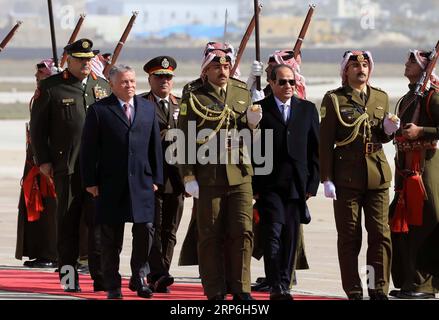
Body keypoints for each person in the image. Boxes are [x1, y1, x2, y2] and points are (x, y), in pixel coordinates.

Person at [177, 41, 262, 300]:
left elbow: (251, 139)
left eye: (226, 66)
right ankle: (214, 290)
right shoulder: (193, 94)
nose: (223, 71)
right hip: (208, 174)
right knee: (210, 235)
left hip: (239, 173)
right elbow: (184, 137)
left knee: (242, 231)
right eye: (216, 67)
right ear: (205, 70)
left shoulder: (241, 91)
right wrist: (188, 175)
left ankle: (241, 288)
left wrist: (253, 125)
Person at [30, 39, 110, 292]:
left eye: (89, 59)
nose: (86, 63)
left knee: (99, 227)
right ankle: (68, 279)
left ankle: (100, 278)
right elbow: (38, 129)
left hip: (98, 170)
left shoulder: (102, 87)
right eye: (81, 59)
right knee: (67, 227)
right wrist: (43, 160)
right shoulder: (52, 87)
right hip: (68, 168)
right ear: (69, 60)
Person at [319, 50, 400, 300]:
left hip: (377, 174)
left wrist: (388, 131)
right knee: (350, 237)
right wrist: (326, 178)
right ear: (345, 71)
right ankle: (354, 289)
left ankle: (377, 288)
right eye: (354, 65)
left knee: (380, 234)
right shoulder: (334, 99)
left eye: (365, 64)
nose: (361, 69)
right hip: (347, 177)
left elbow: (380, 135)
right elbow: (324, 142)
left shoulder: (381, 97)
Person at [80, 65, 163, 299]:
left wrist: (156, 178)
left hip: (142, 183)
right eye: (125, 82)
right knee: (109, 238)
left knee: (145, 230)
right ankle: (113, 284)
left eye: (133, 81)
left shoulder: (147, 108)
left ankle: (139, 277)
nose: (130, 86)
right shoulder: (99, 110)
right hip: (110, 184)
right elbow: (88, 151)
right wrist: (90, 182)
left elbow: (154, 146)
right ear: (113, 85)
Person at [252, 64, 319, 300]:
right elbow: (250, 149)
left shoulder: (308, 110)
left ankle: (283, 283)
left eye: (292, 81)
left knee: (291, 235)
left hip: (297, 185)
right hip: (269, 184)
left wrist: (312, 185)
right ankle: (275, 283)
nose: (288, 86)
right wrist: (254, 187)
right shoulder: (259, 109)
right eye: (282, 82)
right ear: (271, 83)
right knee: (272, 233)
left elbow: (315, 150)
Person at [389, 49, 439, 299]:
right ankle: (409, 281)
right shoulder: (411, 97)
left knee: (425, 222)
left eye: (412, 61)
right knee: (402, 224)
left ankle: (425, 285)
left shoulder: (431, 97)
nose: (406, 64)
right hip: (405, 167)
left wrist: (422, 131)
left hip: (424, 167)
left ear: (423, 67)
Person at [141, 56, 185, 293]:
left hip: (177, 179)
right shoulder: (141, 104)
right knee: (153, 228)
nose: (164, 81)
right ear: (150, 79)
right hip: (152, 177)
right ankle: (157, 274)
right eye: (159, 77)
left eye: (168, 77)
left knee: (170, 230)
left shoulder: (183, 105)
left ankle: (162, 274)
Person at [15, 59, 58, 269]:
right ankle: (41, 252)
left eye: (41, 76)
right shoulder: (39, 95)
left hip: (48, 163)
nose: (37, 79)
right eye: (37, 76)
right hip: (34, 161)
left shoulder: (54, 95)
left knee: (51, 211)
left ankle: (52, 253)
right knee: (38, 211)